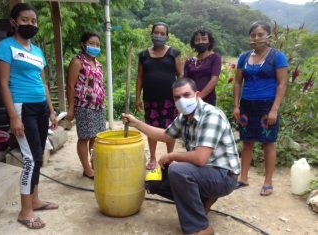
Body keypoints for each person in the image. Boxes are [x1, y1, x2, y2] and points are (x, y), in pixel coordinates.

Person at [123, 78, 240, 235]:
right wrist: (137, 123)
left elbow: (200, 158)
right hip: (205, 172)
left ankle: (201, 228)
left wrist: (172, 155)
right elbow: (165, 135)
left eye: (186, 95)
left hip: (224, 176)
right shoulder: (184, 117)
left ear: (197, 95)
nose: (182, 100)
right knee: (155, 183)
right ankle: (203, 201)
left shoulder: (211, 116)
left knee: (178, 171)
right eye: (177, 97)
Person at [0, 3, 58, 229]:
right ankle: (25, 210)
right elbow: (2, 83)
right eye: (25, 20)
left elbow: (43, 82)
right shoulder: (5, 46)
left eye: (33, 21)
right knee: (30, 159)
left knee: (38, 155)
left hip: (41, 106)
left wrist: (51, 110)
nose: (30, 24)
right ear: (14, 22)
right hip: (22, 107)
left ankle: (35, 200)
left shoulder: (38, 51)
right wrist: (13, 117)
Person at [233, 21, 288, 196]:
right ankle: (243, 178)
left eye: (260, 34)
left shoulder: (277, 57)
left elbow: (282, 84)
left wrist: (274, 109)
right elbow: (238, 82)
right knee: (247, 141)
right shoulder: (244, 57)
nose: (256, 38)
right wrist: (236, 106)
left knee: (268, 143)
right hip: (247, 105)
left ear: (268, 36)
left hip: (267, 106)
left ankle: (268, 181)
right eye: (253, 35)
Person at [136, 22, 183, 170]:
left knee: (171, 129)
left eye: (162, 34)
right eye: (156, 32)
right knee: (151, 129)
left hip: (170, 99)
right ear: (151, 34)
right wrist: (137, 97)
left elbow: (180, 74)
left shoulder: (173, 53)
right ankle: (153, 158)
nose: (159, 36)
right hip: (150, 99)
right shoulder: (143, 55)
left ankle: (169, 157)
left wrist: (179, 95)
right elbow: (139, 78)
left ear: (167, 36)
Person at [66, 32, 106, 179]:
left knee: (96, 137)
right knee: (84, 137)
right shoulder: (77, 62)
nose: (95, 47)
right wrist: (71, 108)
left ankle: (94, 165)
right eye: (91, 43)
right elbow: (70, 86)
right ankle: (87, 169)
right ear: (83, 44)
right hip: (83, 106)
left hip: (98, 107)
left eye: (97, 44)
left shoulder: (98, 64)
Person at [184, 29, 222, 106]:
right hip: (190, 100)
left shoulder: (215, 57)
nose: (201, 42)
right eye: (197, 40)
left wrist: (199, 97)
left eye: (204, 39)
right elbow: (185, 81)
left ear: (209, 42)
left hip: (208, 100)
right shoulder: (189, 61)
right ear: (193, 43)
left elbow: (214, 80)